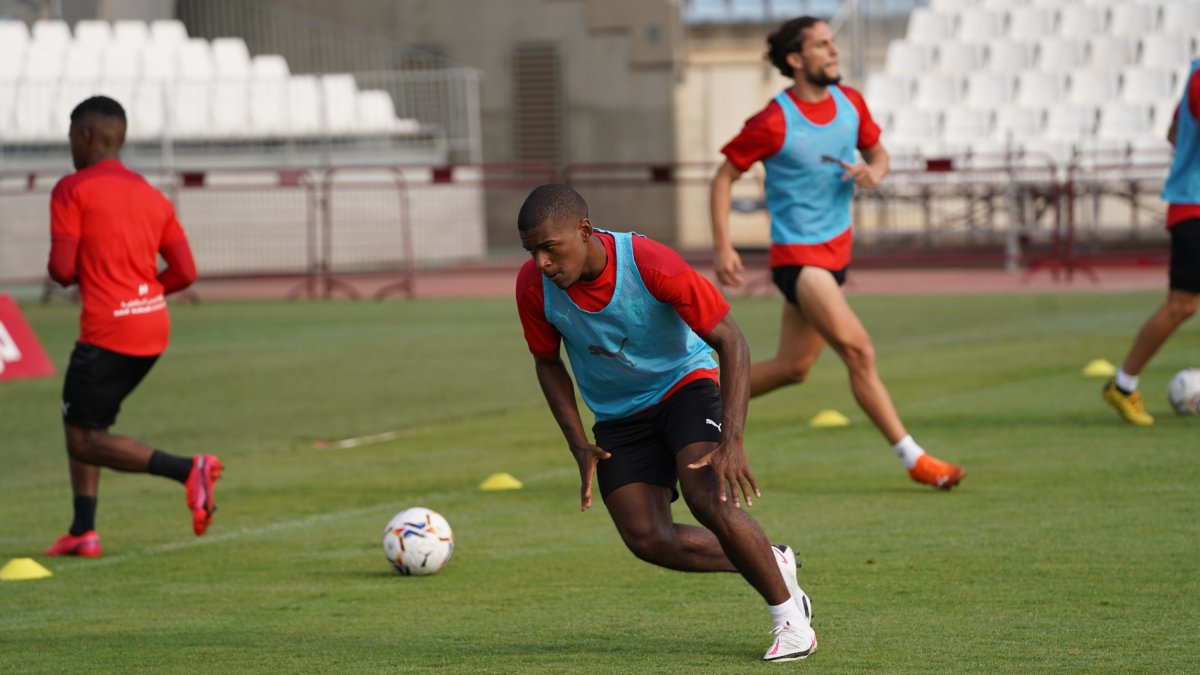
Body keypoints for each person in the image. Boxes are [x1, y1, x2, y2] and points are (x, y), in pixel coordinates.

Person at [515, 184, 815, 662]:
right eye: (532, 252)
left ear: (584, 230)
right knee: (647, 537)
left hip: (684, 387)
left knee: (705, 497)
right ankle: (773, 561)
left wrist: (733, 440)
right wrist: (577, 442)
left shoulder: (649, 263)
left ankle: (791, 622)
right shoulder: (534, 286)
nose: (542, 263)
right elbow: (547, 362)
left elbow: (731, 341)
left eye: (549, 248)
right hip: (617, 414)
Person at [709, 16, 964, 489]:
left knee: (793, 368)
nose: (834, 51)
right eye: (822, 45)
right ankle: (915, 459)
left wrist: (875, 172)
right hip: (800, 261)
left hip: (836, 258)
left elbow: (879, 154)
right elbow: (723, 177)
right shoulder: (773, 121)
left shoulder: (851, 103)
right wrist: (723, 246)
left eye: (833, 43)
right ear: (795, 59)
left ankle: (686, 398)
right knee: (859, 351)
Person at [44, 96, 222, 558]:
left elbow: (61, 270)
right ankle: (83, 530)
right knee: (86, 421)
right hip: (151, 328)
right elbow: (185, 272)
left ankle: (188, 471)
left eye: (71, 137)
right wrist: (142, 293)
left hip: (108, 331)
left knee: (83, 438)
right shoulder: (151, 194)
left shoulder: (71, 190)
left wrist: (99, 276)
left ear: (85, 135)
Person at [1103, 60, 1200, 425]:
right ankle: (1123, 385)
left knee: (1183, 305)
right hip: (1194, 206)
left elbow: (1174, 132)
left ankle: (1123, 384)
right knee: (1182, 305)